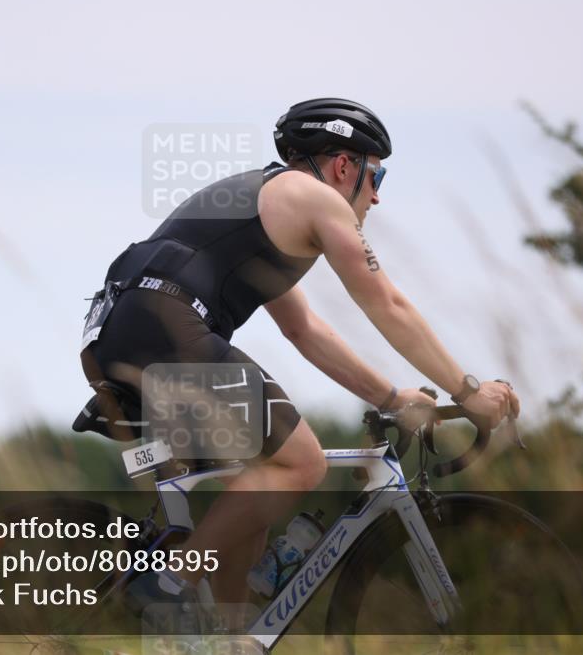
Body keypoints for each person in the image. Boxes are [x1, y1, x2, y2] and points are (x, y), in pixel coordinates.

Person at [76, 98, 521, 616]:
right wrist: (468, 392)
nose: (376, 198)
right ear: (343, 165)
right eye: (377, 178)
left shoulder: (265, 203)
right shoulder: (316, 199)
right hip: (166, 328)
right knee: (301, 462)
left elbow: (304, 330)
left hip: (117, 333)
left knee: (259, 486)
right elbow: (388, 304)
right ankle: (166, 582)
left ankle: (227, 639)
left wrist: (392, 396)